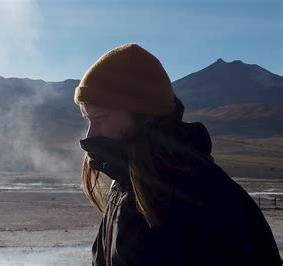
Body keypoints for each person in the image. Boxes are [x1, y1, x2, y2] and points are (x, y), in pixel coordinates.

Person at [74, 43, 281, 266]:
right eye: (88, 120)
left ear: (142, 115)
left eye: (100, 119)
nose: (90, 134)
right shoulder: (129, 183)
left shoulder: (191, 198)